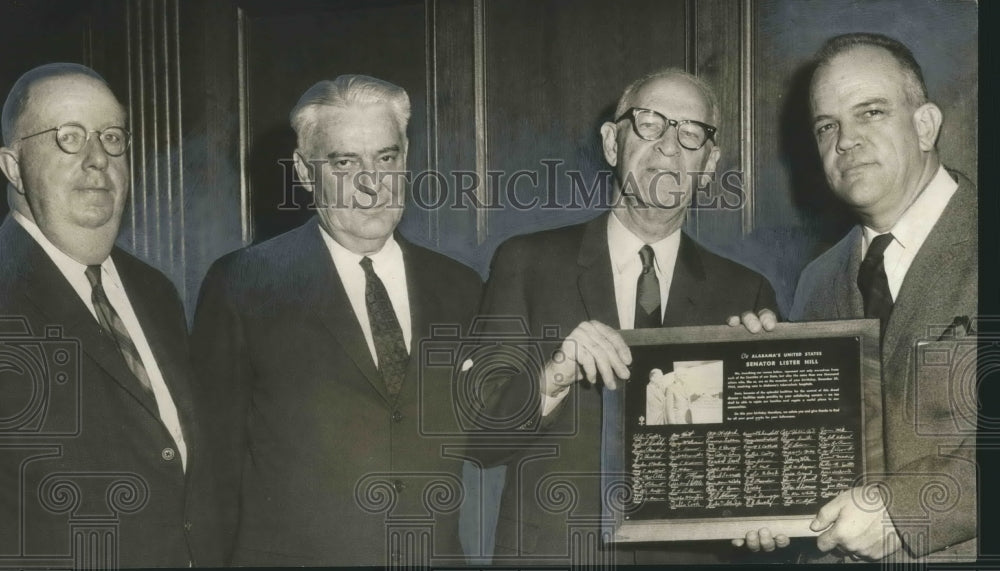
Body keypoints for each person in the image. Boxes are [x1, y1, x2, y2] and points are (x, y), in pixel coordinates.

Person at [467, 68, 777, 565]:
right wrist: (555, 374)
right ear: (613, 142)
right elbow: (478, 437)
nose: (669, 148)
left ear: (710, 162)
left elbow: (764, 471)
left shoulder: (746, 292)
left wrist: (772, 510)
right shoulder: (526, 263)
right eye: (651, 124)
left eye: (690, 133)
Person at [190, 74, 482, 566]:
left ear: (405, 159)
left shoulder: (459, 286)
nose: (371, 183)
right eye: (345, 162)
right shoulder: (242, 284)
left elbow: (486, 439)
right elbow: (212, 465)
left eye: (386, 158)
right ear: (305, 172)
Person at [733, 33, 977, 562]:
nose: (845, 140)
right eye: (827, 126)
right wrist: (764, 486)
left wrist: (906, 511)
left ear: (926, 125)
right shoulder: (817, 280)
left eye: (870, 112)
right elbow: (812, 461)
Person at [0, 63, 220, 567]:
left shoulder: (155, 291)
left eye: (113, 137)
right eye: (69, 138)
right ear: (13, 167)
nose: (98, 159)